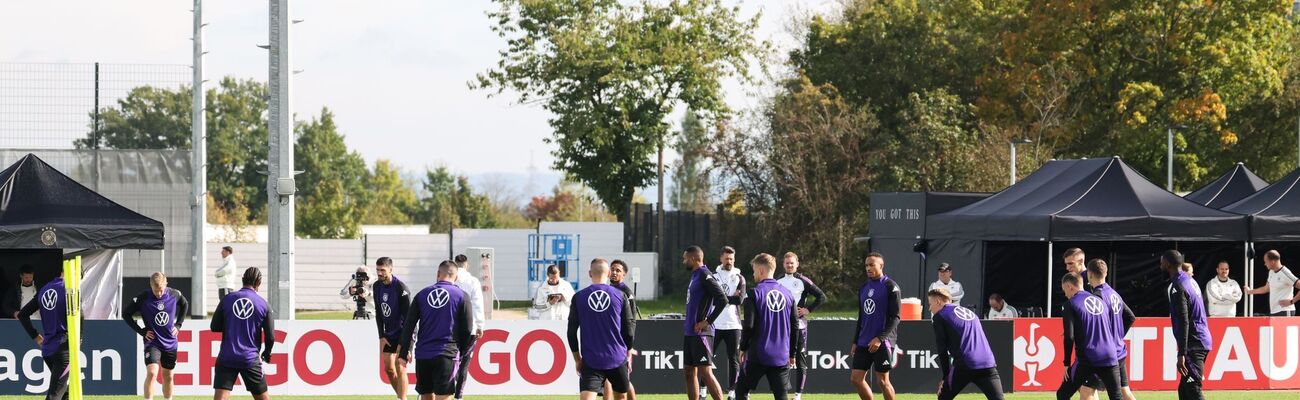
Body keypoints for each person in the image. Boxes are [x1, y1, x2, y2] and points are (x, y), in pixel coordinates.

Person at [399, 261, 473, 400]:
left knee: (426, 395)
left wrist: (403, 352)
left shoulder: (422, 294)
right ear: (456, 277)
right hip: (447, 354)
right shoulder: (462, 296)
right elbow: (468, 329)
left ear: (438, 274)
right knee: (443, 397)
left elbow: (408, 325)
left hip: (423, 354)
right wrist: (463, 352)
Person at [568, 258, 636, 400]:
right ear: (609, 272)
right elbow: (629, 328)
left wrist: (577, 359)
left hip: (591, 359)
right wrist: (628, 350)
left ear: (589, 273)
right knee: (621, 396)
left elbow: (571, 332)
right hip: (617, 357)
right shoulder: (620, 295)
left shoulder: (578, 297)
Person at [734, 253, 798, 400]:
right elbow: (795, 326)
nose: (754, 273)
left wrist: (743, 347)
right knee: (781, 396)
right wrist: (792, 354)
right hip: (781, 355)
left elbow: (748, 325)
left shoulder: (754, 293)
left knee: (741, 391)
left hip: (759, 354)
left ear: (761, 271)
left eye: (755, 270)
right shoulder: (788, 294)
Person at [1055, 273, 1122, 400]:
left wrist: (1067, 363)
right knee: (1116, 396)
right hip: (1110, 355)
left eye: (1065, 290)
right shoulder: (1100, 300)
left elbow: (1069, 337)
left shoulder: (1070, 304)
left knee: (1063, 394)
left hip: (1088, 358)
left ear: (1069, 286)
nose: (1065, 294)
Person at [123, 272, 190, 400]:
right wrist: (141, 331)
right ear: (150, 285)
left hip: (170, 342)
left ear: (166, 284)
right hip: (152, 342)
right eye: (155, 290)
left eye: (160, 290)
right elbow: (126, 314)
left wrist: (178, 325)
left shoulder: (173, 294)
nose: (158, 294)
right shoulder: (143, 297)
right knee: (152, 373)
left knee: (168, 375)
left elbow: (185, 304)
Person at [929, 287, 1004, 400]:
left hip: (965, 364)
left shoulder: (940, 316)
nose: (930, 308)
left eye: (930, 304)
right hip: (988, 363)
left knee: (943, 398)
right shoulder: (970, 313)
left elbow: (942, 349)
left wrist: (945, 377)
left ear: (938, 302)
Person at [211, 267, 274, 400]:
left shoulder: (228, 298)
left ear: (242, 280)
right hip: (250, 358)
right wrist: (267, 353)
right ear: (259, 283)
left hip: (227, 357)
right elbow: (270, 337)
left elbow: (214, 326)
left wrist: (233, 324)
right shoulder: (263, 304)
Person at [1162, 250, 1214, 400]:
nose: (1160, 265)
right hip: (1200, 338)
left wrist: (1182, 353)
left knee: (1192, 387)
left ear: (1168, 264)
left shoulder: (1177, 286)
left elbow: (1183, 320)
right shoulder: (1189, 280)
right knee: (1184, 391)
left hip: (1194, 343)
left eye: (1162, 262)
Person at [776, 252, 825, 400]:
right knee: (782, 360)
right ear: (783, 264)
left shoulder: (803, 280)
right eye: (787, 263)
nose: (789, 265)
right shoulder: (777, 281)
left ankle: (798, 395)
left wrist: (808, 309)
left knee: (800, 360)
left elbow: (821, 296)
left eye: (792, 263)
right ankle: (783, 392)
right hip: (783, 327)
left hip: (800, 326)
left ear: (797, 264)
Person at [851, 252, 900, 400]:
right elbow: (862, 317)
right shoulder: (863, 288)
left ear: (881, 266)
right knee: (856, 379)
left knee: (883, 381)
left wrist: (879, 338)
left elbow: (896, 317)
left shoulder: (890, 286)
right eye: (866, 265)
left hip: (882, 342)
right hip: (863, 341)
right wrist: (855, 341)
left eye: (872, 265)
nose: (868, 268)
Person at [682, 245, 728, 400]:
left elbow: (722, 299)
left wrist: (707, 321)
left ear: (695, 258)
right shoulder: (695, 275)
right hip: (690, 332)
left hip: (702, 334)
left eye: (685, 258)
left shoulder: (705, 274)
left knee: (706, 373)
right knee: (689, 371)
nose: (684, 261)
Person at [17, 265, 70, 400]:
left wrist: (35, 336)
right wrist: (79, 338)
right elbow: (79, 315)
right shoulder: (68, 290)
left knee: (64, 391)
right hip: (63, 348)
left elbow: (22, 315)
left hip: (48, 349)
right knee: (56, 393)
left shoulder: (43, 290)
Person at [1087, 260, 1136, 400]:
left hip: (1104, 354)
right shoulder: (1114, 294)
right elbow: (1130, 317)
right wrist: (1117, 336)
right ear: (1106, 273)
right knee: (1124, 391)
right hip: (1119, 351)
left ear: (1089, 275)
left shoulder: (1097, 297)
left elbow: (1094, 325)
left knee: (1087, 391)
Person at [371, 257, 411, 400]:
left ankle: (402, 398)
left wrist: (407, 344)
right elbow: (378, 312)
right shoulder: (376, 286)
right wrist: (381, 336)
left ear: (390, 269)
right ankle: (400, 396)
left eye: (382, 270)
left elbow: (409, 319)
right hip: (388, 335)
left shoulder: (401, 288)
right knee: (388, 370)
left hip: (402, 333)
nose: (379, 273)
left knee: (400, 367)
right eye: (377, 270)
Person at [711, 246, 746, 400]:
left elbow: (739, 299)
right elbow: (712, 298)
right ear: (721, 259)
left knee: (733, 359)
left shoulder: (739, 277)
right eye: (726, 259)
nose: (729, 261)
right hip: (715, 323)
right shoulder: (713, 276)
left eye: (731, 259)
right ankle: (703, 390)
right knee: (706, 358)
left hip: (733, 324)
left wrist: (722, 297)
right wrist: (728, 297)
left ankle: (732, 392)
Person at [452, 254, 486, 400]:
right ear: (467, 265)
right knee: (464, 363)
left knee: (450, 360)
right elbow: (478, 303)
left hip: (450, 327)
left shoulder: (450, 279)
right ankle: (458, 396)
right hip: (469, 327)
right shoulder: (473, 281)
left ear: (455, 264)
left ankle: (447, 390)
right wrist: (480, 325)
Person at [605, 259, 639, 400]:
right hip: (607, 340)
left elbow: (631, 321)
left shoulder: (626, 292)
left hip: (620, 343)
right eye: (612, 269)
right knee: (614, 379)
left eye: (618, 270)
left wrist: (628, 347)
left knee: (620, 381)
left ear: (624, 275)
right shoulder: (606, 290)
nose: (614, 272)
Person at [1244, 250, 1299, 316]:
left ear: (1272, 262)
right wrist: (1250, 291)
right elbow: (1266, 289)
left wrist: (1292, 301)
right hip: (1274, 311)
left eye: (1266, 262)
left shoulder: (1285, 273)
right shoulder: (1271, 272)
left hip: (1285, 311)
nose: (1265, 264)